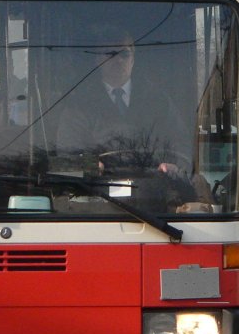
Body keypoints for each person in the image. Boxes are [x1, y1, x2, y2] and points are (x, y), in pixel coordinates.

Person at [54, 26, 208, 210]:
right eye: (109, 54)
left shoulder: (158, 100)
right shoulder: (78, 105)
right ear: (98, 60)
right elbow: (63, 158)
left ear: (133, 60)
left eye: (124, 55)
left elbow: (181, 144)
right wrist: (91, 166)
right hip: (95, 201)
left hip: (154, 200)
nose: (117, 60)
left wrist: (173, 166)